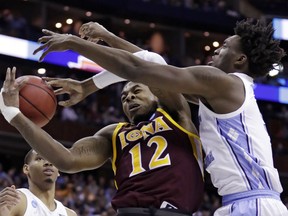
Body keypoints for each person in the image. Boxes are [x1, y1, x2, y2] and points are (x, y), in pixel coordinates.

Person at [32, 19, 288, 215]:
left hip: (253, 204)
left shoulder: (223, 83)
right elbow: (152, 65)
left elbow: (138, 68)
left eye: (223, 48)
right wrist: (107, 40)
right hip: (241, 202)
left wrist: (73, 43)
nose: (215, 52)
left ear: (240, 59)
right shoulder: (220, 92)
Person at [0, 59, 204, 215]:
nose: (129, 97)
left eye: (137, 90)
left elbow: (152, 66)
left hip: (175, 211)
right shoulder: (113, 134)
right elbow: (67, 160)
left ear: (156, 94)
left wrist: (90, 79)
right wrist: (14, 116)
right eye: (124, 97)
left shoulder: (177, 116)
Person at [0, 149, 77, 216]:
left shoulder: (69, 214)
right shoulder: (17, 199)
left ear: (58, 171)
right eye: (39, 158)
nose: (48, 163)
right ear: (26, 169)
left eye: (52, 160)